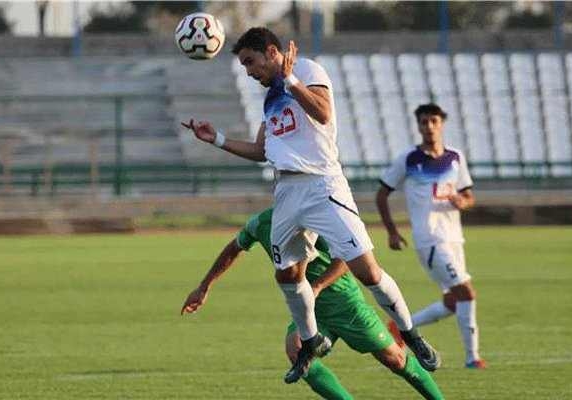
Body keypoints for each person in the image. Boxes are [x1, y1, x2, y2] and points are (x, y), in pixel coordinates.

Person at [182, 27, 440, 383]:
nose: (248, 71)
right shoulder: (271, 96)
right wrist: (218, 140)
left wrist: (290, 80)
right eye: (243, 66)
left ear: (272, 52)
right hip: (287, 190)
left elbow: (322, 112)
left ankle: (411, 333)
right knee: (287, 274)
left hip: (322, 185)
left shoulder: (306, 71)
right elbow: (262, 150)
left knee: (368, 272)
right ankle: (310, 340)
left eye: (250, 62)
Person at [181, 208, 445, 399]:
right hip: (311, 310)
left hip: (346, 305)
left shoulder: (316, 220)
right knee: (296, 351)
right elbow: (234, 248)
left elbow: (346, 259)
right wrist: (204, 286)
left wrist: (317, 286)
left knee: (396, 360)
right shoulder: (261, 223)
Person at [376, 103, 486, 369]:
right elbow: (382, 193)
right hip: (430, 240)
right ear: (419, 126)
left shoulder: (455, 157)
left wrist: (462, 201)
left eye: (433, 121)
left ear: (442, 124)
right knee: (466, 293)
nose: (429, 127)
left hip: (454, 239)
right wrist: (392, 231)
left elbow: (469, 196)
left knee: (452, 302)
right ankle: (472, 358)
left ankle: (399, 328)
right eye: (424, 122)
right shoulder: (409, 159)